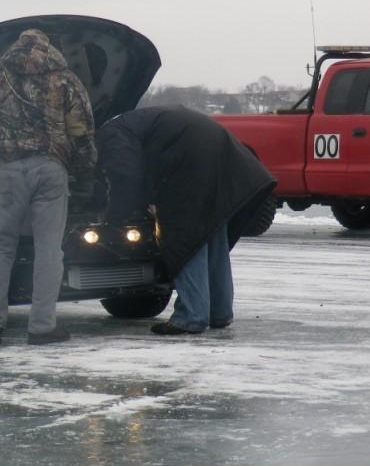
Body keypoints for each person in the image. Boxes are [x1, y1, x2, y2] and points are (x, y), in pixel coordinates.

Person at [0, 22, 97, 345]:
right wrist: (87, 173)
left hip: (7, 170)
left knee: (1, 247)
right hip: (50, 169)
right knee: (49, 249)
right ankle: (42, 326)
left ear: (17, 46)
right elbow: (82, 131)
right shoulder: (65, 79)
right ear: (50, 47)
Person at [95, 105, 276, 335]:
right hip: (221, 155)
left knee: (185, 238)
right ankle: (218, 312)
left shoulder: (110, 134)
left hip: (191, 162)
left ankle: (191, 317)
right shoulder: (133, 121)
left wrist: (115, 218)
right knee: (212, 233)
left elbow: (126, 177)